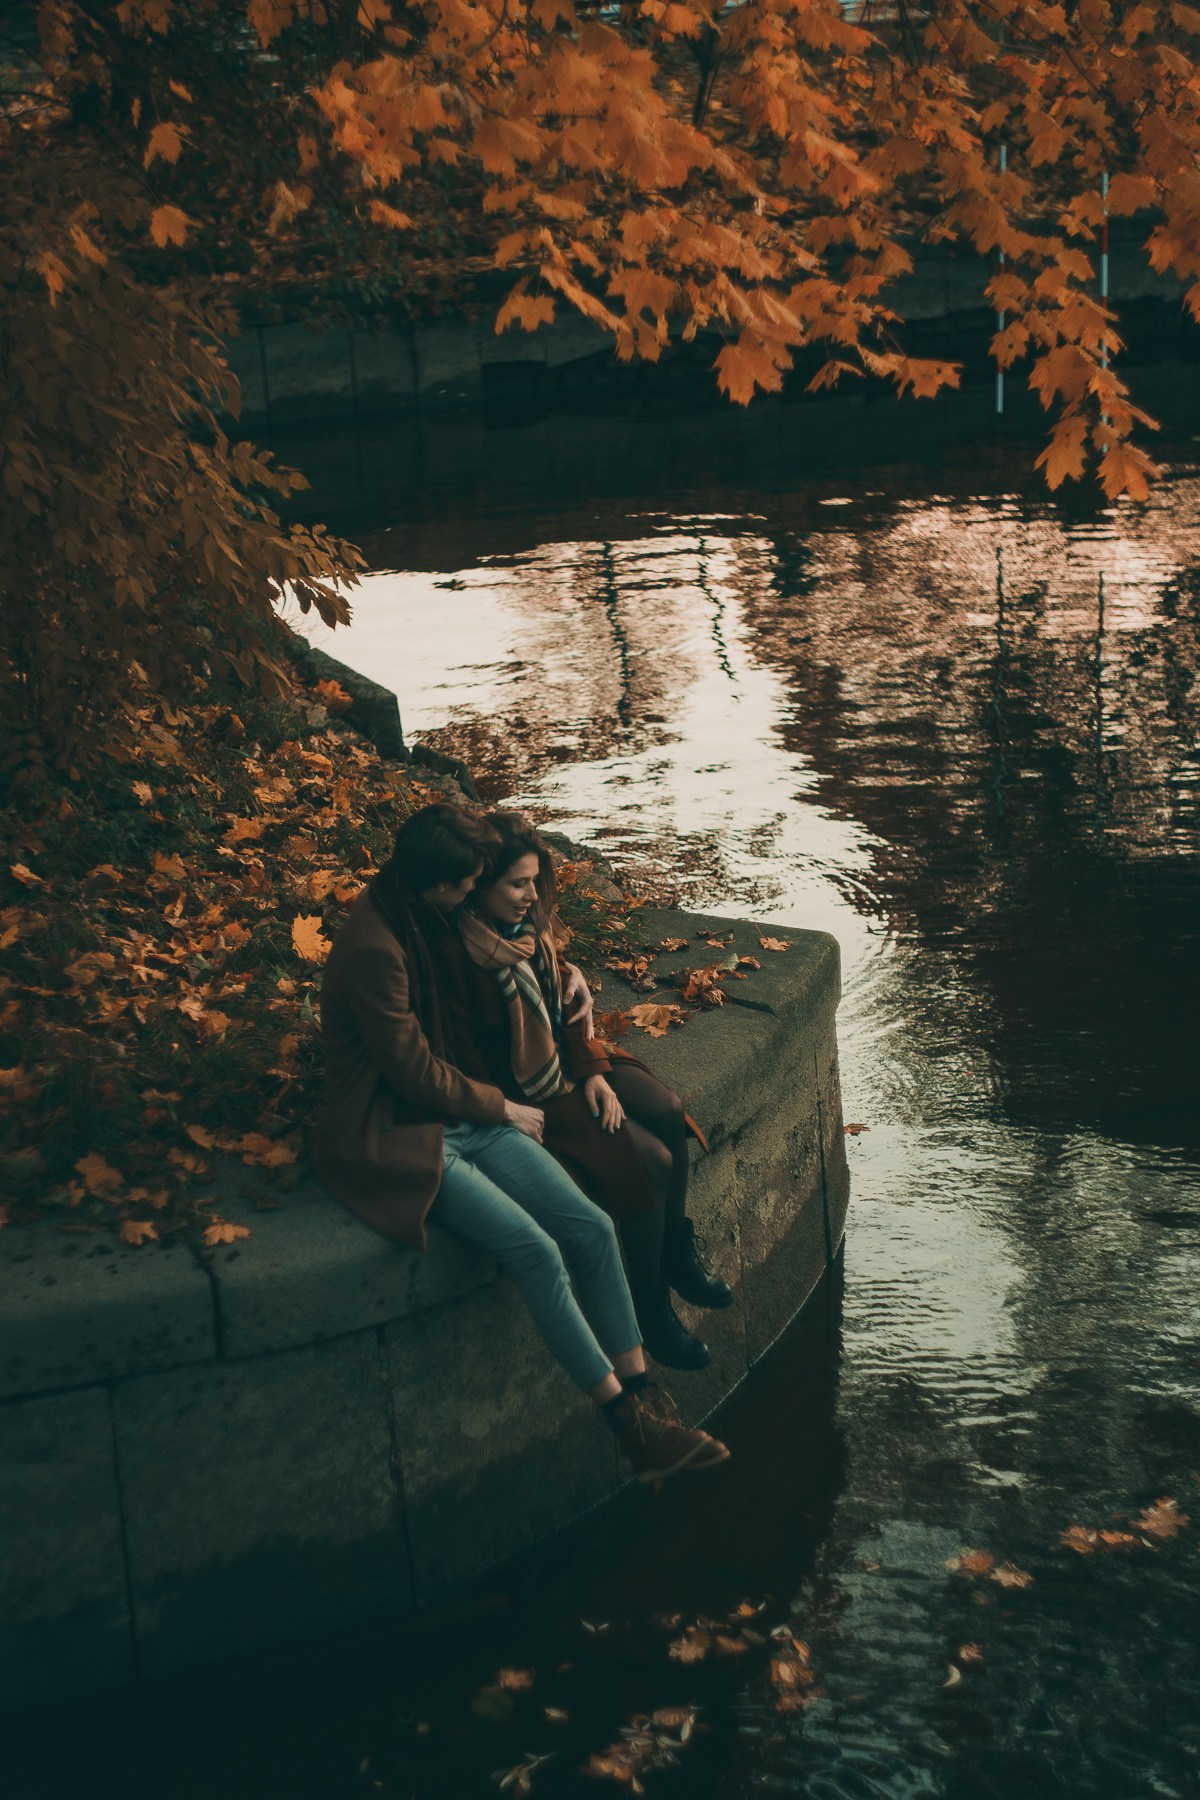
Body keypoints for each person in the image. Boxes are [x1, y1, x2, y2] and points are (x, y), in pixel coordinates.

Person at [310, 802, 729, 1485]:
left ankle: (649, 1398)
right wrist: (503, 1105)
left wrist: (570, 988)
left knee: (590, 1228)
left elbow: (521, 959)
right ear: (434, 885)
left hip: (466, 1115)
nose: (476, 892)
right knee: (533, 1247)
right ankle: (626, 1424)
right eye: (466, 884)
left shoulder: (429, 910)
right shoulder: (374, 949)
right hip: (402, 1133)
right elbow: (409, 1068)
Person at [448, 810, 734, 1370]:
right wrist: (554, 1092)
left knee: (670, 1110)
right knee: (648, 1159)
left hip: (568, 1059)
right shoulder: (459, 951)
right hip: (528, 1088)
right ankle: (650, 1309)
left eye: (535, 881)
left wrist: (595, 1072)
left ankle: (676, 1251)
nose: (531, 895)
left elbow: (566, 1009)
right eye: (516, 883)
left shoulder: (526, 931)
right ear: (479, 884)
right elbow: (474, 1060)